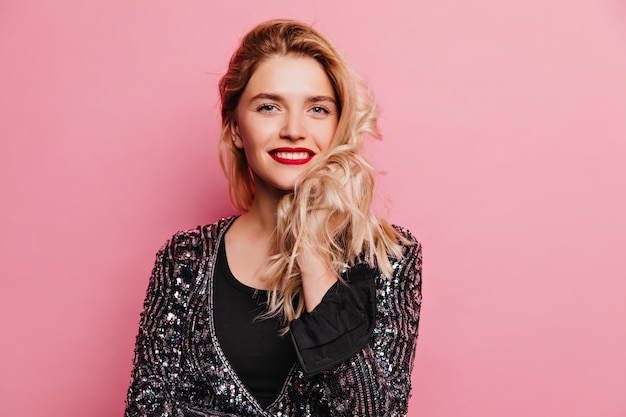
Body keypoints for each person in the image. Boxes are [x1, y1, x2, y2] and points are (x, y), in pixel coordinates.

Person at [125, 19, 422, 417]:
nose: (294, 130)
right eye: (269, 107)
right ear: (234, 127)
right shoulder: (185, 257)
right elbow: (146, 408)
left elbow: (375, 412)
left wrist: (312, 252)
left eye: (317, 109)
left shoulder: (390, 256)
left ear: (339, 127)